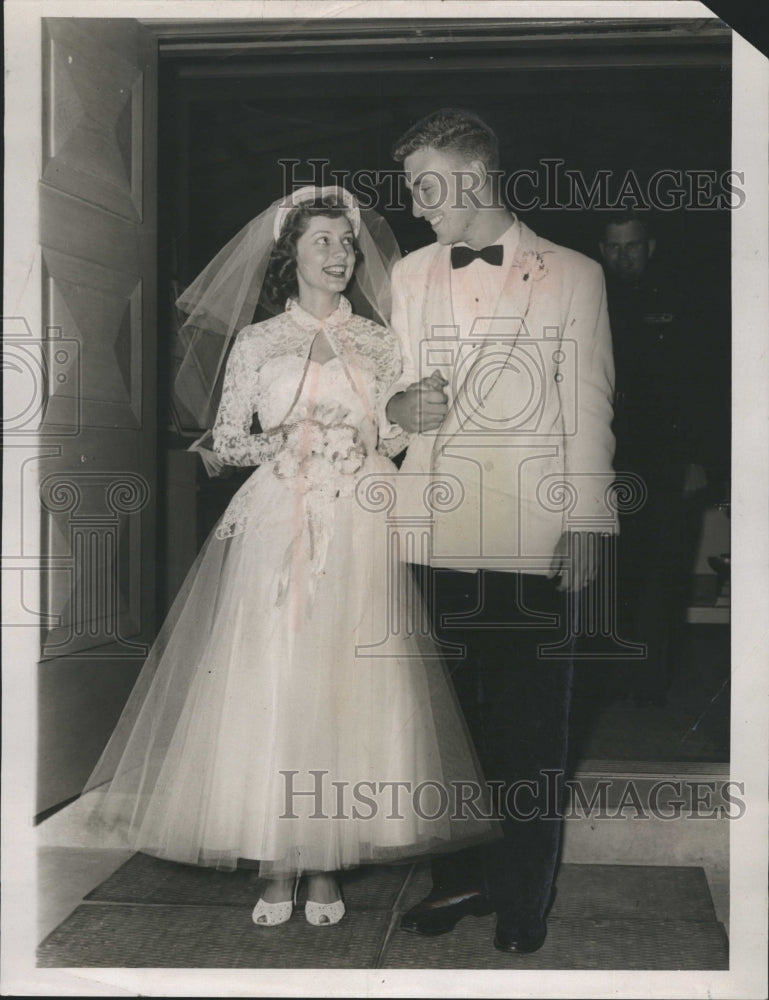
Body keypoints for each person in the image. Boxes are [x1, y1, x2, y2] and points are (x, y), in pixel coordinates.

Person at [83, 186, 495, 929]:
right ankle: (277, 860)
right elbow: (228, 440)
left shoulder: (379, 340)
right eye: (323, 243)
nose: (339, 256)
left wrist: (386, 427)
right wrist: (291, 440)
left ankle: (327, 860)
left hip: (362, 518)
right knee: (274, 676)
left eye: (347, 242)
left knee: (347, 680)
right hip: (279, 517)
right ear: (291, 257)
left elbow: (396, 435)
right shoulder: (257, 342)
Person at [381, 109, 617, 953]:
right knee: (442, 724)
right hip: (429, 529)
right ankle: (458, 880)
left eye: (424, 186)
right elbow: (394, 404)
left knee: (529, 729)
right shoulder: (407, 275)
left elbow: (589, 409)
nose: (415, 206)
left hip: (530, 532)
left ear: (473, 178)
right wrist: (397, 412)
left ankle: (523, 896)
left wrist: (588, 521)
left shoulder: (573, 273)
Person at [598, 209, 706, 704]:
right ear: (603, 250)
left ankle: (649, 686)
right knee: (613, 569)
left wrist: (699, 461)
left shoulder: (684, 302)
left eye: (633, 246)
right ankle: (612, 682)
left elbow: (704, 387)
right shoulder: (592, 301)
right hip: (609, 460)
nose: (624, 257)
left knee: (664, 572)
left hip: (665, 461)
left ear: (651, 248)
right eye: (615, 247)